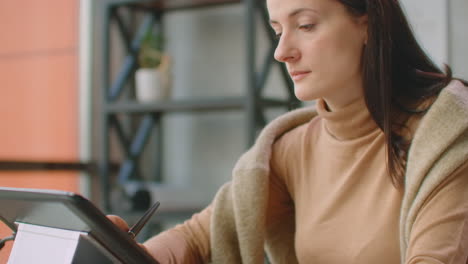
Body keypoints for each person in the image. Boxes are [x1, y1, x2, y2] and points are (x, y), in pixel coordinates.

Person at [109, 0, 468, 263]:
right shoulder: (292, 148)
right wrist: (130, 255)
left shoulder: (447, 134)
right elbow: (207, 236)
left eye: (306, 25)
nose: (282, 52)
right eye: (277, 30)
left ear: (367, 22)